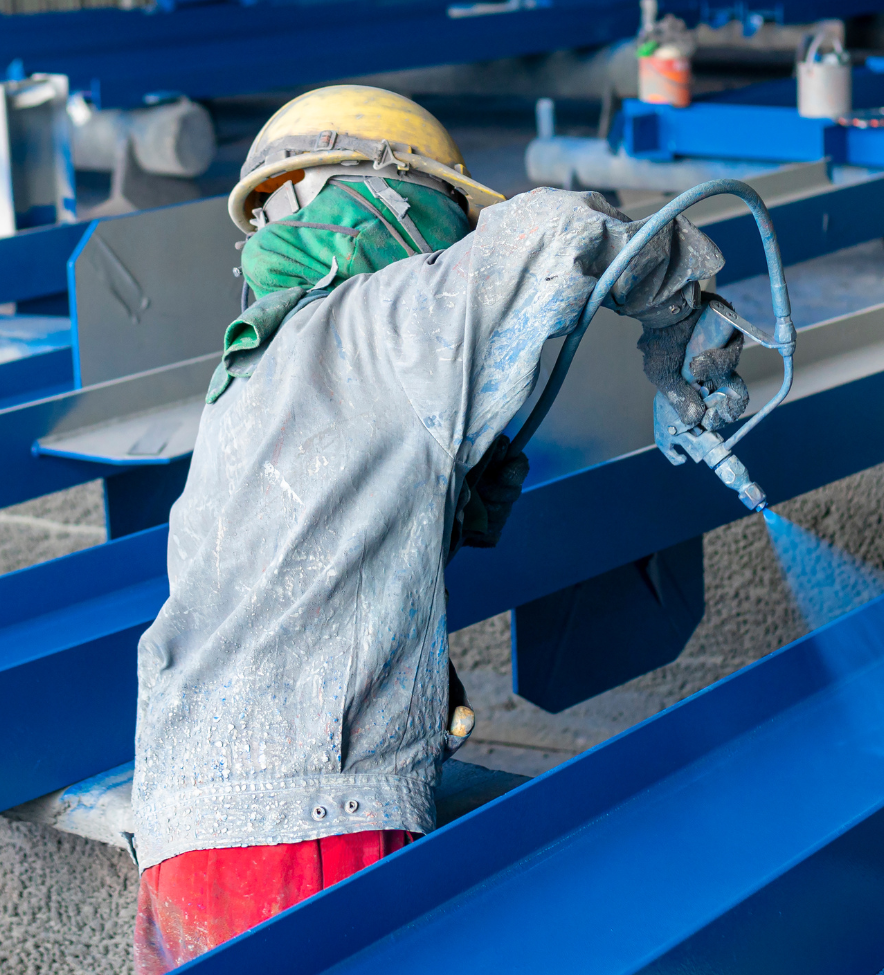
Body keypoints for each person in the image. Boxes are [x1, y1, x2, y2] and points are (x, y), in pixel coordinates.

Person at [131, 86, 741, 973]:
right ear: (394, 199)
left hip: (183, 834)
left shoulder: (256, 376)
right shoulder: (385, 324)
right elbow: (566, 230)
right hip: (305, 837)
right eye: (450, 218)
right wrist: (681, 323)